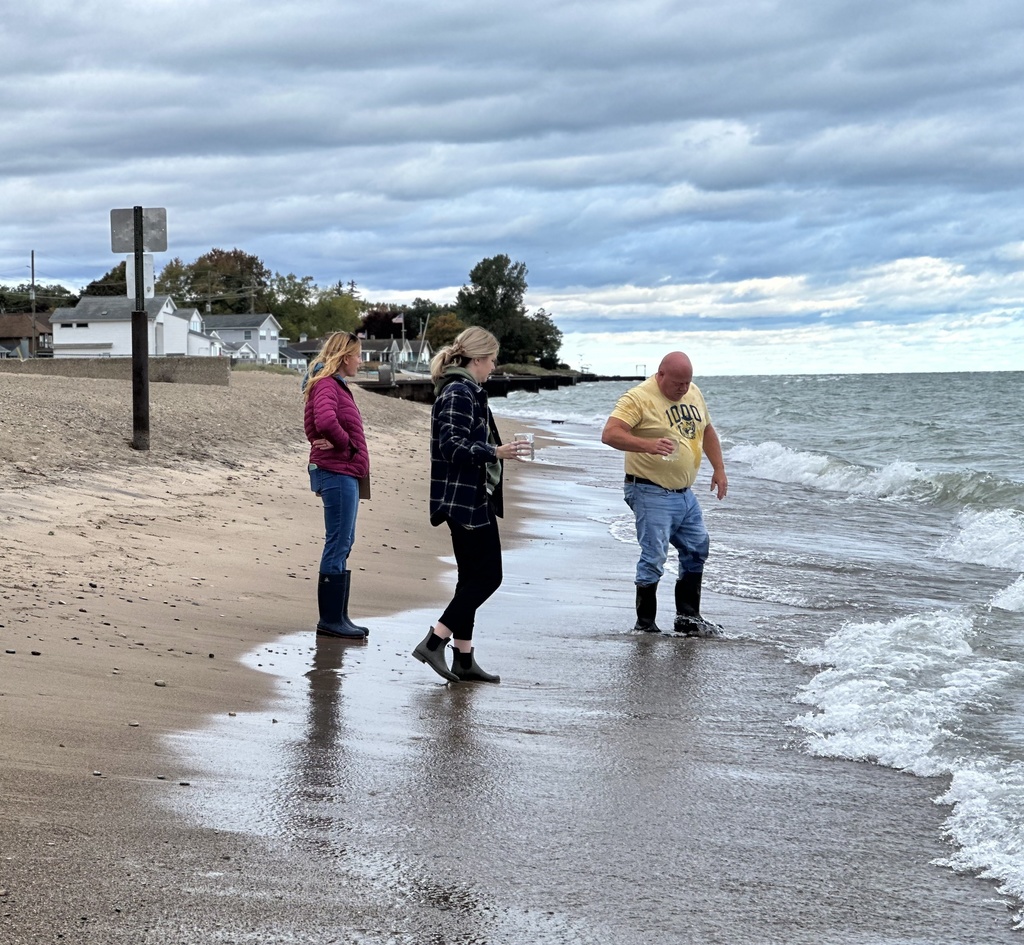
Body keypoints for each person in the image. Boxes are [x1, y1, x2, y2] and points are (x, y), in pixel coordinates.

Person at [412, 326, 531, 683]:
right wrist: (495, 451)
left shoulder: (467, 391)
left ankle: (463, 657)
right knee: (489, 577)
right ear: (477, 359)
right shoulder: (458, 392)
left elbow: (463, 440)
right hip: (464, 498)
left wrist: (494, 450)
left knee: (470, 579)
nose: (494, 367)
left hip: (471, 494)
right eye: (492, 361)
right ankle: (435, 641)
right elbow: (451, 446)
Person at [601, 351, 728, 636]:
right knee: (654, 555)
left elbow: (707, 430)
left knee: (697, 548)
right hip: (648, 489)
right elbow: (610, 433)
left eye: (687, 383)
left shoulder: (693, 392)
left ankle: (688, 618)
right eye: (677, 383)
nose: (683, 389)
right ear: (660, 375)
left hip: (684, 493)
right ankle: (645, 623)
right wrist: (647, 445)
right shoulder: (637, 398)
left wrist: (718, 469)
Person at [303, 331, 370, 640]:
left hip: (343, 470)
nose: (361, 361)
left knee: (345, 540)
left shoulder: (331, 385)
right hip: (337, 470)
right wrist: (346, 446)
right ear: (345, 358)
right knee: (339, 541)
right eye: (358, 355)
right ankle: (330, 620)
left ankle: (338, 616)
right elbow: (322, 421)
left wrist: (334, 444)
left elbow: (312, 423)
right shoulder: (328, 384)